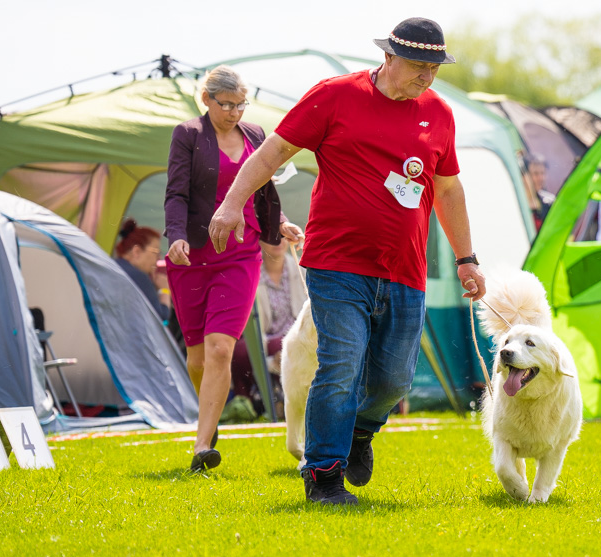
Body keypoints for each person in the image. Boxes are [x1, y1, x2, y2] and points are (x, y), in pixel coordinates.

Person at [208, 17, 486, 505]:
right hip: (336, 263)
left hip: (404, 268)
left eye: (435, 67)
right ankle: (323, 475)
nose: (427, 76)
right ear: (388, 57)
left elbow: (446, 187)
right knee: (340, 364)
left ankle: (359, 433)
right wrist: (232, 204)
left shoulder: (439, 113)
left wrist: (467, 259)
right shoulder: (336, 95)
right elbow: (272, 152)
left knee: (394, 379)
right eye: (418, 65)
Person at [163, 65, 303, 473]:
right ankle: (211, 410)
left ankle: (202, 444)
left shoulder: (256, 136)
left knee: (220, 347)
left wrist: (279, 223)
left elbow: (263, 188)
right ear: (206, 99)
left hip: (240, 254)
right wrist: (175, 237)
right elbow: (176, 193)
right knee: (197, 359)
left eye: (242, 104)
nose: (236, 112)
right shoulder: (187, 135)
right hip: (191, 254)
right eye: (227, 104)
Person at [230, 236, 307, 420]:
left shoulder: (301, 270)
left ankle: (279, 401)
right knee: (239, 351)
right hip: (266, 341)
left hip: (298, 337)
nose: (278, 242)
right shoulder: (251, 275)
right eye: (272, 238)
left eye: (282, 238)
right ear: (259, 242)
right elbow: (248, 327)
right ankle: (250, 402)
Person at [114, 219, 171, 323]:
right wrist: (164, 290)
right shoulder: (138, 276)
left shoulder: (114, 266)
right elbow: (160, 318)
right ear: (137, 251)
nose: (158, 258)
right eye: (156, 252)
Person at [526, 154, 555, 229]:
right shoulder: (515, 202)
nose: (541, 178)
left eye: (543, 173)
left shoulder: (548, 203)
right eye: (535, 174)